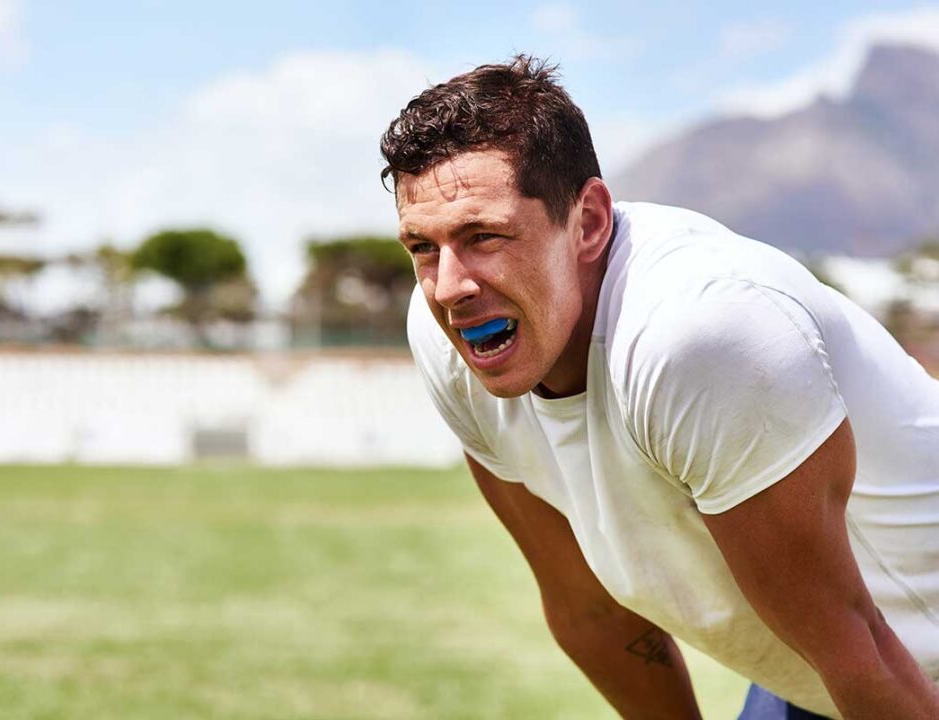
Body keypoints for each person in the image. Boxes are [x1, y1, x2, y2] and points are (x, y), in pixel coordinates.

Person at [379, 55, 939, 719]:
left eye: (485, 235)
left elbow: (863, 647)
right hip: (832, 668)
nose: (449, 287)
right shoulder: (454, 339)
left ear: (587, 222)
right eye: (422, 247)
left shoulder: (697, 333)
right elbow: (589, 609)